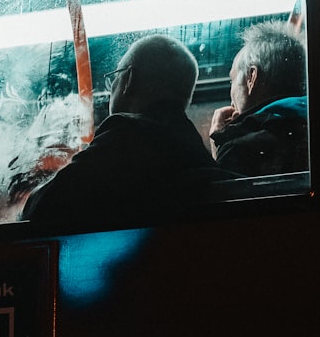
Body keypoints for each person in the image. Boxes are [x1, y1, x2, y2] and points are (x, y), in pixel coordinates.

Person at [21, 34, 223, 229]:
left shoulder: (126, 136)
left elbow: (40, 207)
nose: (111, 89)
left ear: (128, 80)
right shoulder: (195, 151)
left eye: (114, 78)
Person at [209, 21, 308, 176]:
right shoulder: (311, 126)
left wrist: (221, 144)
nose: (231, 94)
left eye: (232, 80)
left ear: (252, 77)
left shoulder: (241, 150)